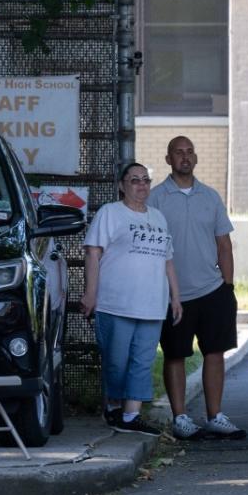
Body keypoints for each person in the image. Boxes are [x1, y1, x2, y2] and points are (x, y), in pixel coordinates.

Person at [148, 136, 245, 440]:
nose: (185, 157)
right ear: (168, 159)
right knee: (175, 355)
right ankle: (181, 419)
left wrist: (227, 287)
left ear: (196, 158)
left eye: (190, 152)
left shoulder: (211, 197)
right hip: (173, 294)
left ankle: (215, 416)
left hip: (213, 290)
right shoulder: (155, 199)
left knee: (215, 353)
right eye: (179, 152)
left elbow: (224, 245)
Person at [80, 162, 183, 436]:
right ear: (121, 186)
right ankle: (113, 408)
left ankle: (131, 415)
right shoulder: (110, 213)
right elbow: (92, 252)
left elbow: (168, 260)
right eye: (135, 180)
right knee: (116, 360)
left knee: (142, 360)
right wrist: (90, 293)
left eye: (146, 180)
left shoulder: (158, 218)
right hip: (116, 303)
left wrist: (176, 296)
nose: (142, 185)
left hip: (151, 304)